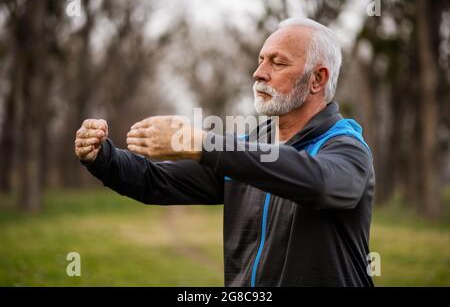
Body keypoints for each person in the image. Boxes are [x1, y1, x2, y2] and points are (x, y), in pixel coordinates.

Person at [74, 18, 375, 287]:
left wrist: (204, 144)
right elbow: (155, 181)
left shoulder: (347, 148)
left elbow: (319, 183)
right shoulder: (246, 149)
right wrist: (103, 158)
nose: (258, 73)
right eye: (260, 60)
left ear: (317, 79)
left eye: (277, 63)